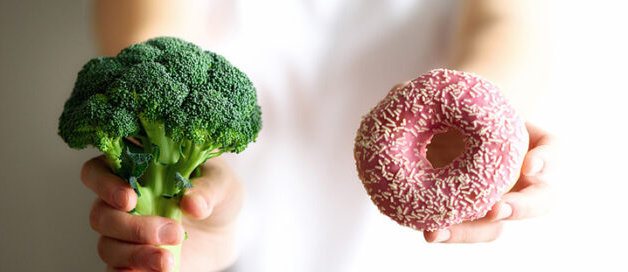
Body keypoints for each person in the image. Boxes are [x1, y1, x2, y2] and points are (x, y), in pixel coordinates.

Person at [80, 0, 556, 271]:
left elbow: (510, 21)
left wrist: (487, 122)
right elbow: (153, 51)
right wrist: (186, 195)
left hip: (421, 253)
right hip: (232, 246)